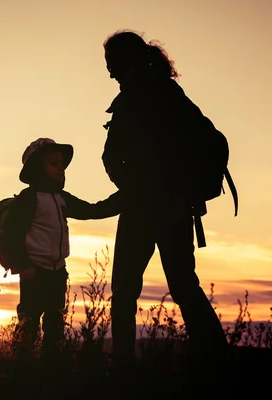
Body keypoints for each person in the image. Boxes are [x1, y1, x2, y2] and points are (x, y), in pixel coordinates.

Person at [100, 30, 230, 382]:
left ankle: (123, 370)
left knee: (125, 290)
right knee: (184, 285)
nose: (111, 73)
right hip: (173, 208)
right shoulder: (171, 94)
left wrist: (130, 185)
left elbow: (113, 155)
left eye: (113, 65)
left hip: (147, 207)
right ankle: (216, 360)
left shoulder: (138, 99)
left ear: (129, 61)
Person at [3, 137, 121, 360]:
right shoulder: (28, 199)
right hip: (34, 272)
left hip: (58, 272)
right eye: (53, 164)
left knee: (55, 323)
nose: (61, 169)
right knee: (29, 320)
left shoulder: (61, 199)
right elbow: (13, 235)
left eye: (62, 165)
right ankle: (20, 367)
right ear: (38, 167)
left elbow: (91, 210)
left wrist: (122, 199)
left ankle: (51, 366)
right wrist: (24, 266)